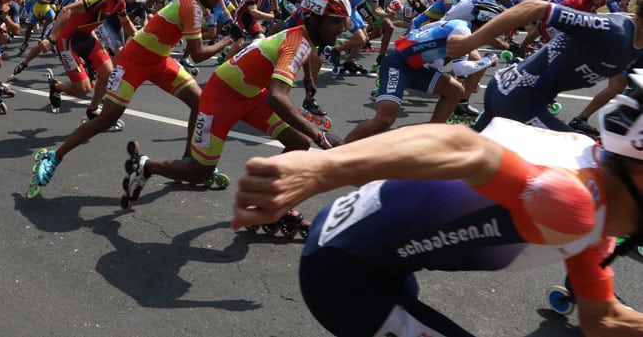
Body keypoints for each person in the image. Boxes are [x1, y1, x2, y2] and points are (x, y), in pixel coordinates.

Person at [231, 73, 643, 337]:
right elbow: (460, 143)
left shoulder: (597, 209)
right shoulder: (570, 200)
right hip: (344, 273)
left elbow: (601, 319)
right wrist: (321, 169)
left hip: (378, 260)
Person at [121, 0, 351, 209]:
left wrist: (309, 81)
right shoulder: (296, 44)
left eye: (343, 22)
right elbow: (276, 97)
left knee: (298, 142)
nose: (341, 29)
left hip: (250, 95)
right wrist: (319, 135)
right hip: (221, 99)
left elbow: (299, 64)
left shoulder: (304, 38)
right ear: (313, 19)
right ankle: (145, 166)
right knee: (199, 172)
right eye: (335, 21)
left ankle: (261, 193)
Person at [29, 0, 236, 195]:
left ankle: (187, 163)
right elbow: (197, 55)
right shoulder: (192, 6)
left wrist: (146, 7)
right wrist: (230, 40)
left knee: (200, 103)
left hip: (160, 61)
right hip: (134, 62)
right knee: (107, 119)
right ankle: (54, 156)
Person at [447, 0, 643, 132]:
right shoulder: (616, 31)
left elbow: (622, 86)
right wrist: (470, 42)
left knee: (469, 160)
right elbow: (535, 7)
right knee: (584, 159)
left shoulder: (636, 45)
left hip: (513, 93)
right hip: (519, 98)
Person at [344, 2, 505, 142]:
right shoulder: (462, 31)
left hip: (416, 67)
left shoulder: (462, 27)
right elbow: (460, 68)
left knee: (455, 91)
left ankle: (432, 135)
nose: (497, 36)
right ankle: (340, 147)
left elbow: (428, 30)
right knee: (384, 120)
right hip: (397, 65)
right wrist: (488, 60)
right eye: (495, 29)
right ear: (485, 24)